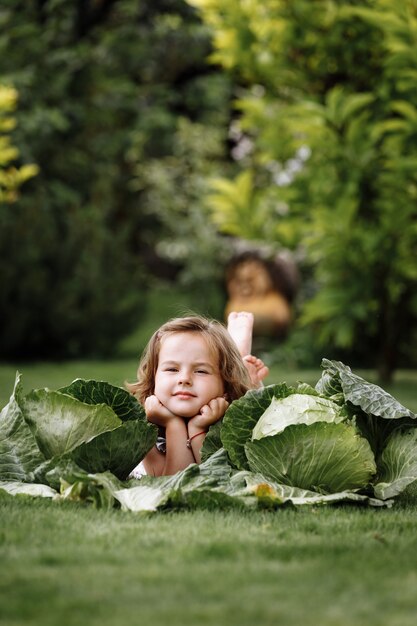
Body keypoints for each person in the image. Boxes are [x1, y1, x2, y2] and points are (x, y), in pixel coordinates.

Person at [126, 312, 269, 477]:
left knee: (251, 403)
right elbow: (174, 482)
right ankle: (240, 361)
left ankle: (242, 368)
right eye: (172, 369)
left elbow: (217, 477)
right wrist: (174, 425)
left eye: (201, 371)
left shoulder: (233, 428)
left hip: (233, 393)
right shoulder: (142, 429)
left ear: (225, 386)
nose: (184, 379)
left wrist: (197, 429)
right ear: (153, 378)